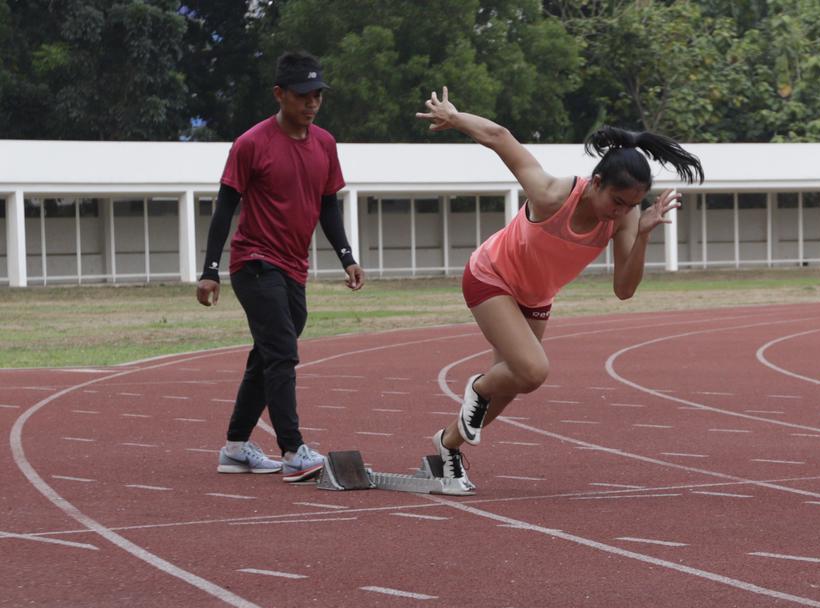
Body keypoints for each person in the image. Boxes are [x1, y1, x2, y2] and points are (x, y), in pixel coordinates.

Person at [414, 86, 703, 495]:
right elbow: (501, 138)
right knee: (532, 370)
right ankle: (477, 387)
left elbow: (624, 289)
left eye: (632, 205)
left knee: (516, 382)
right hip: (490, 275)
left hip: (535, 296)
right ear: (596, 182)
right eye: (617, 202)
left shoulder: (625, 217)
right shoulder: (553, 195)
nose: (621, 212)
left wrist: (642, 235)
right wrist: (454, 116)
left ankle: (446, 448)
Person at [196, 50, 365, 483]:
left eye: (318, 96)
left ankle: (235, 447)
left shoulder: (325, 144)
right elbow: (224, 208)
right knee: (283, 353)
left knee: (268, 355)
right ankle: (292, 450)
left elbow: (328, 207)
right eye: (304, 95)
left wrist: (346, 256)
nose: (312, 103)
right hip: (254, 263)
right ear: (280, 94)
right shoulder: (251, 143)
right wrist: (210, 270)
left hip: (294, 267)